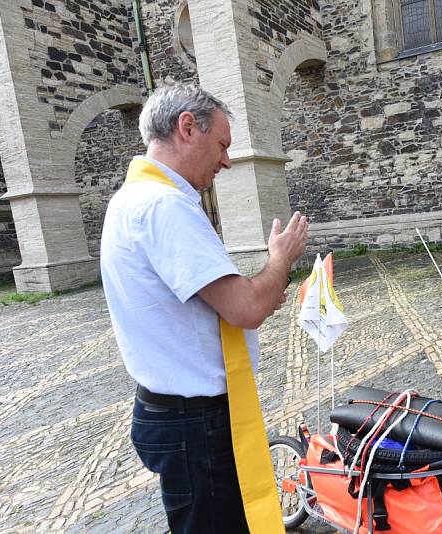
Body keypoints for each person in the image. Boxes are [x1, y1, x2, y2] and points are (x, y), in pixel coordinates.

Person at [100, 84, 308, 532]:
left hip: (173, 413)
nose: (227, 160)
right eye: (223, 145)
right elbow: (245, 307)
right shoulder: (163, 206)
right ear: (187, 127)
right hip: (194, 423)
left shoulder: (130, 200)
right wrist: (281, 261)